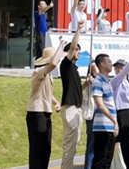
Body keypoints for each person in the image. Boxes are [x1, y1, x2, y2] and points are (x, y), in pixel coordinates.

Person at [27, 40, 66, 169]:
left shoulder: (48, 75)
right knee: (37, 150)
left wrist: (55, 103)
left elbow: (47, 93)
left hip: (45, 113)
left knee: (45, 149)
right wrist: (61, 45)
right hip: (36, 113)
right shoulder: (38, 71)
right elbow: (54, 63)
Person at [60, 27, 85, 169]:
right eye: (76, 50)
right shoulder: (66, 65)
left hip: (77, 107)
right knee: (70, 145)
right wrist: (79, 29)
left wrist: (86, 84)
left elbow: (76, 91)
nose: (78, 51)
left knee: (74, 145)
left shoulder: (74, 70)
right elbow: (73, 46)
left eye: (79, 50)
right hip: (70, 107)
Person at [92, 53, 119, 169]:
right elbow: (100, 105)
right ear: (102, 64)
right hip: (102, 126)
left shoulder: (107, 81)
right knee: (100, 160)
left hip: (110, 126)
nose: (111, 64)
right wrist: (114, 120)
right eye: (109, 62)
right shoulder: (98, 81)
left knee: (108, 159)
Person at [83, 62, 98, 169]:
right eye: (93, 67)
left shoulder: (102, 80)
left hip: (102, 116)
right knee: (91, 145)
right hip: (93, 115)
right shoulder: (90, 82)